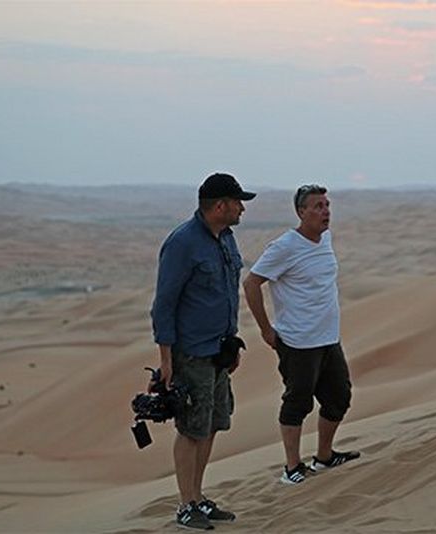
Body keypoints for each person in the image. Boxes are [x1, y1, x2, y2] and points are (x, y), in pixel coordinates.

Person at [150, 172, 255, 530]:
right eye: (238, 202)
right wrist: (166, 360)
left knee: (211, 424)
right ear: (220, 206)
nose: (242, 209)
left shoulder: (226, 238)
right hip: (191, 353)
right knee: (192, 428)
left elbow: (226, 295)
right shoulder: (183, 243)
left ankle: (198, 498)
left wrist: (232, 343)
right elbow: (164, 304)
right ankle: (186, 505)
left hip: (219, 351)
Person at [243, 184, 359, 485]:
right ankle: (292, 467)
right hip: (298, 342)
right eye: (318, 206)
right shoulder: (284, 247)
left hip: (329, 339)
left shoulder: (325, 239)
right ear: (301, 212)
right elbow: (251, 284)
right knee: (298, 403)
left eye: (327, 205)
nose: (326, 211)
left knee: (339, 398)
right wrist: (266, 329)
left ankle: (324, 456)